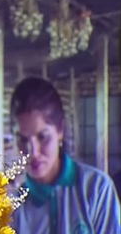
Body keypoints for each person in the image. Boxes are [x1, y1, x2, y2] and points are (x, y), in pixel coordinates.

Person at [9, 77, 121, 234]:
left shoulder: (96, 189)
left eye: (42, 137)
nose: (33, 152)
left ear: (60, 130)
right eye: (23, 140)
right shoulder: (12, 207)